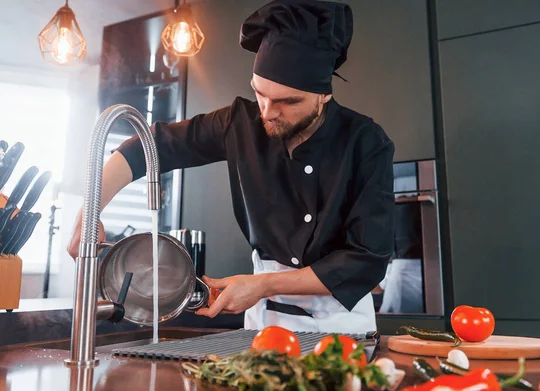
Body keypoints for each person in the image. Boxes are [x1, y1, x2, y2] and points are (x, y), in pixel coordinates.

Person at [68, 0, 395, 334]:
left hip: (341, 325)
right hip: (263, 320)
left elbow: (366, 260)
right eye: (261, 94)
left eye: (288, 102)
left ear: (323, 95)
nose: (268, 111)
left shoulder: (366, 142)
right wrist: (88, 215)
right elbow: (144, 149)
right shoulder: (238, 123)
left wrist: (264, 284)